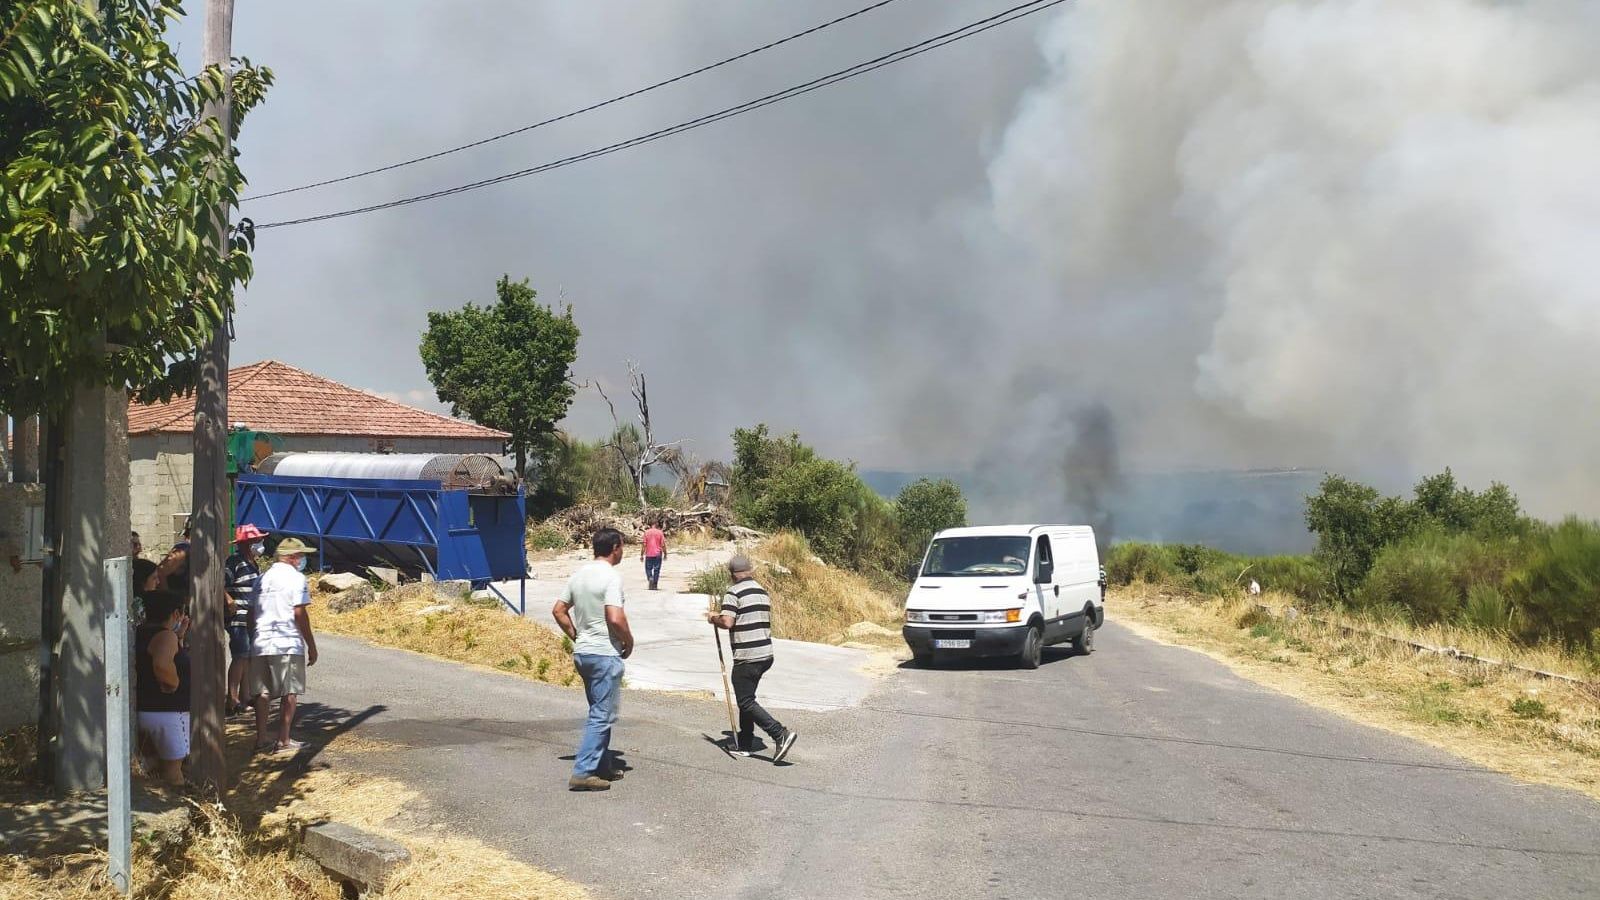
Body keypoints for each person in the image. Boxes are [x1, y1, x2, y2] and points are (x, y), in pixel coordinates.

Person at [552, 527, 633, 791]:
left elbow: (559, 610)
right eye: (622, 546)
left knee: (601, 710)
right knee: (601, 714)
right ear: (614, 548)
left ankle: (602, 766)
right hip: (603, 653)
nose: (622, 551)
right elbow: (615, 617)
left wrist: (576, 635)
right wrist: (628, 640)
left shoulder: (579, 575)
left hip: (584, 652)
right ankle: (584, 772)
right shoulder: (611, 577)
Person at [706, 554, 797, 762]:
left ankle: (779, 733)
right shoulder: (762, 591)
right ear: (750, 571)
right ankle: (745, 742)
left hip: (748, 656)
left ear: (732, 574)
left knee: (745, 701)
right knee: (748, 697)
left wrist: (712, 618)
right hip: (765, 654)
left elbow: (727, 622)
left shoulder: (733, 592)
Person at [250, 537, 319, 754]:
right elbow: (299, 612)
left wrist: (254, 636)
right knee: (290, 691)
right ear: (291, 557)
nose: (301, 560)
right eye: (300, 556)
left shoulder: (261, 579)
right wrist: (311, 644)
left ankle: (261, 738)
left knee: (262, 691)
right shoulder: (297, 579)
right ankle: (284, 739)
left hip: (261, 642)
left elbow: (251, 614)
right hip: (287, 642)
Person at [135, 590, 190, 785]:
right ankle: (175, 803)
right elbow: (161, 664)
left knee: (153, 764)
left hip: (146, 709)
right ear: (176, 613)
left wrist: (180, 637)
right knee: (173, 769)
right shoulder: (165, 636)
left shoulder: (140, 632)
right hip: (168, 713)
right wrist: (173, 683)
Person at [225, 524, 268, 716]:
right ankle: (232, 699)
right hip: (238, 618)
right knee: (240, 656)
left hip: (249, 618)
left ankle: (245, 697)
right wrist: (229, 600)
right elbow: (220, 583)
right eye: (256, 541)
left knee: (248, 657)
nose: (260, 544)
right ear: (246, 543)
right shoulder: (235, 562)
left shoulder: (252, 563)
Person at [641, 518, 667, 591]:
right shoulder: (660, 532)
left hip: (649, 554)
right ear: (656, 524)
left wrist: (641, 555)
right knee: (657, 570)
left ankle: (650, 577)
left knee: (648, 568)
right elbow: (663, 544)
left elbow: (644, 545)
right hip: (658, 554)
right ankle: (655, 585)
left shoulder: (646, 532)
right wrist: (665, 553)